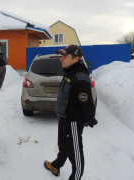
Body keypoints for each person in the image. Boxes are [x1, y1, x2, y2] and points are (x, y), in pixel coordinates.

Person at [44, 45, 98, 180]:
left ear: (76, 59)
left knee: (75, 153)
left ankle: (76, 177)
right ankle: (56, 165)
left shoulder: (80, 78)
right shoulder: (70, 71)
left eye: (65, 57)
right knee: (63, 146)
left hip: (73, 120)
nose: (61, 59)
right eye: (61, 56)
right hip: (63, 118)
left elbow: (86, 101)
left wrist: (89, 117)